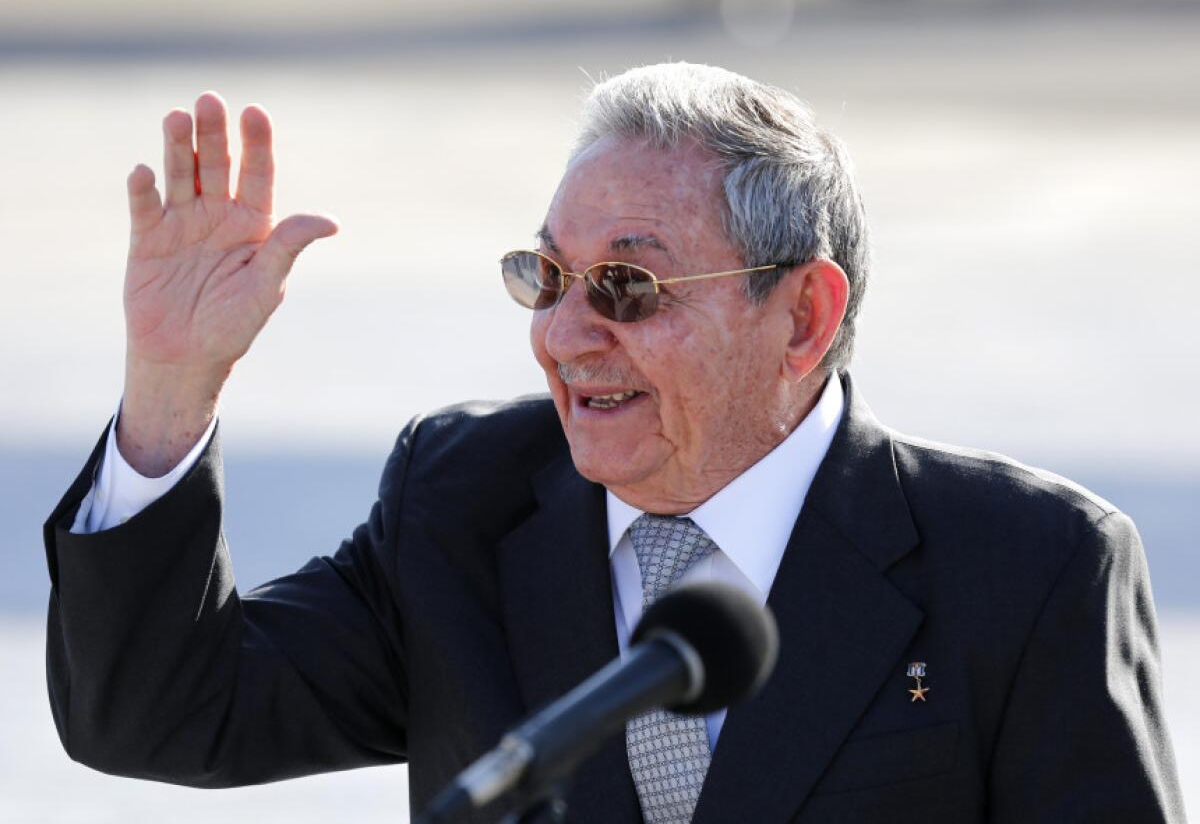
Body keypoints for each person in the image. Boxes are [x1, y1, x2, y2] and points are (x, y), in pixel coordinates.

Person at [43, 63, 1184, 823]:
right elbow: (158, 714)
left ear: (804, 317)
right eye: (546, 276)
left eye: (629, 286)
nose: (563, 333)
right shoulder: (465, 503)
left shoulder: (1029, 570)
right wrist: (170, 385)